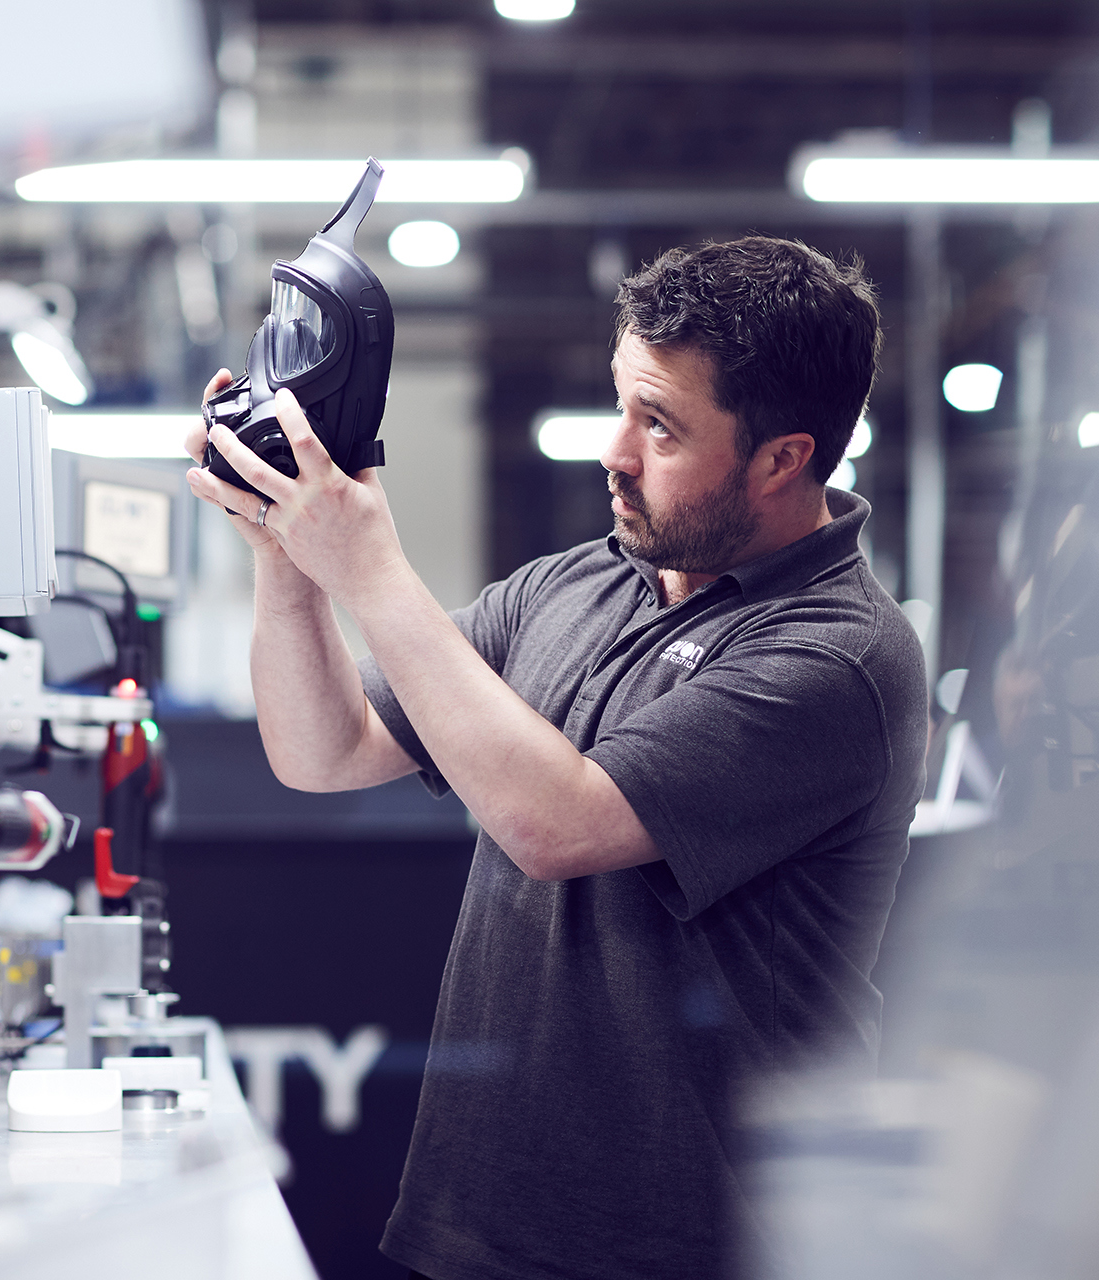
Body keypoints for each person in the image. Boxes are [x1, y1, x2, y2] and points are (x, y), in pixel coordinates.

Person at [183, 236, 927, 1280]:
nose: (614, 451)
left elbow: (558, 823)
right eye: (622, 403)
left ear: (780, 458)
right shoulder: (577, 584)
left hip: (696, 1246)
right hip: (485, 1223)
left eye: (659, 425)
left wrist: (372, 566)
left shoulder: (836, 653)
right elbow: (326, 748)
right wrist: (286, 553)